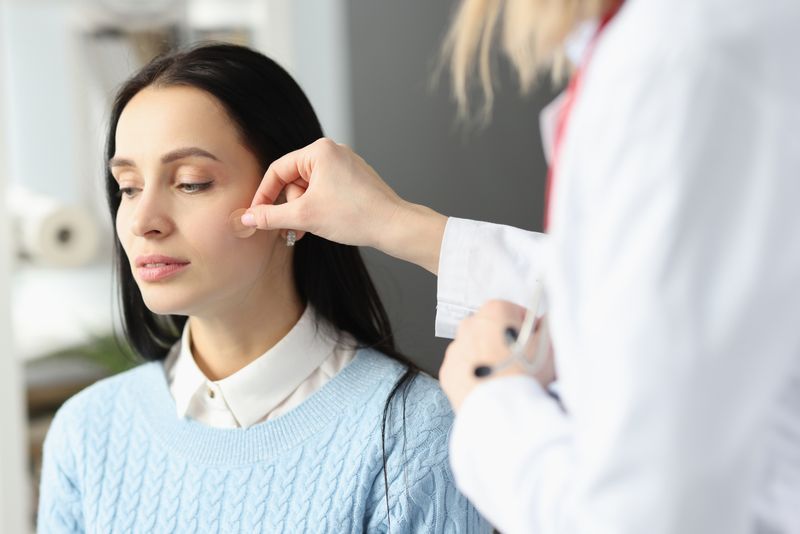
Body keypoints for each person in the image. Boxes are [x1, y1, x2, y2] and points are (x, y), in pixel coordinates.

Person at [239, 0, 800, 533]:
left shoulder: (681, 61)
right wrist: (393, 222)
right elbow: (642, 291)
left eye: (193, 182)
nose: (148, 223)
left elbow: (643, 517)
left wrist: (492, 403)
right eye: (141, 187)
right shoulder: (676, 49)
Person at [37, 43, 490, 533]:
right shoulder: (88, 431)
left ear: (291, 197)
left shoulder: (410, 434)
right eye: (128, 187)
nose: (143, 221)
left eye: (190, 183)